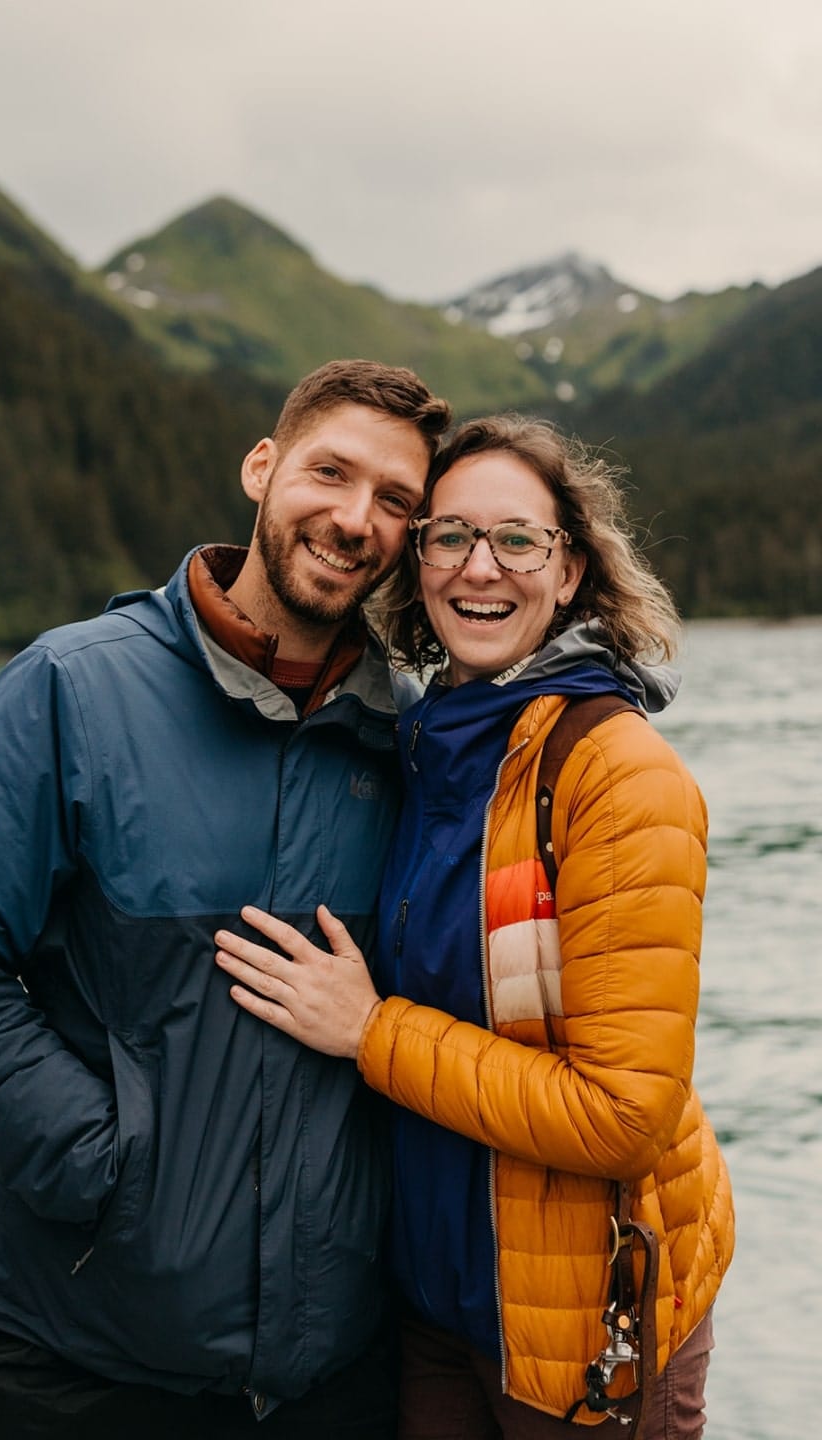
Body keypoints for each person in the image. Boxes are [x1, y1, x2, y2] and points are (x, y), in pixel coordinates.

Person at [0, 359, 452, 1440]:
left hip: (330, 1383)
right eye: (331, 472)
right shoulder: (71, 687)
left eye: (397, 502)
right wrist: (109, 1168)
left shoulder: (415, 739)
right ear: (262, 467)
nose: (355, 517)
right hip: (71, 1368)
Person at [214, 415, 735, 1439]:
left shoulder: (618, 774)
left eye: (517, 540)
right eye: (448, 536)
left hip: (586, 1318)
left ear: (571, 567)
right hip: (434, 1304)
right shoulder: (417, 742)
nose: (478, 568)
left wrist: (372, 1033)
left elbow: (624, 1114)